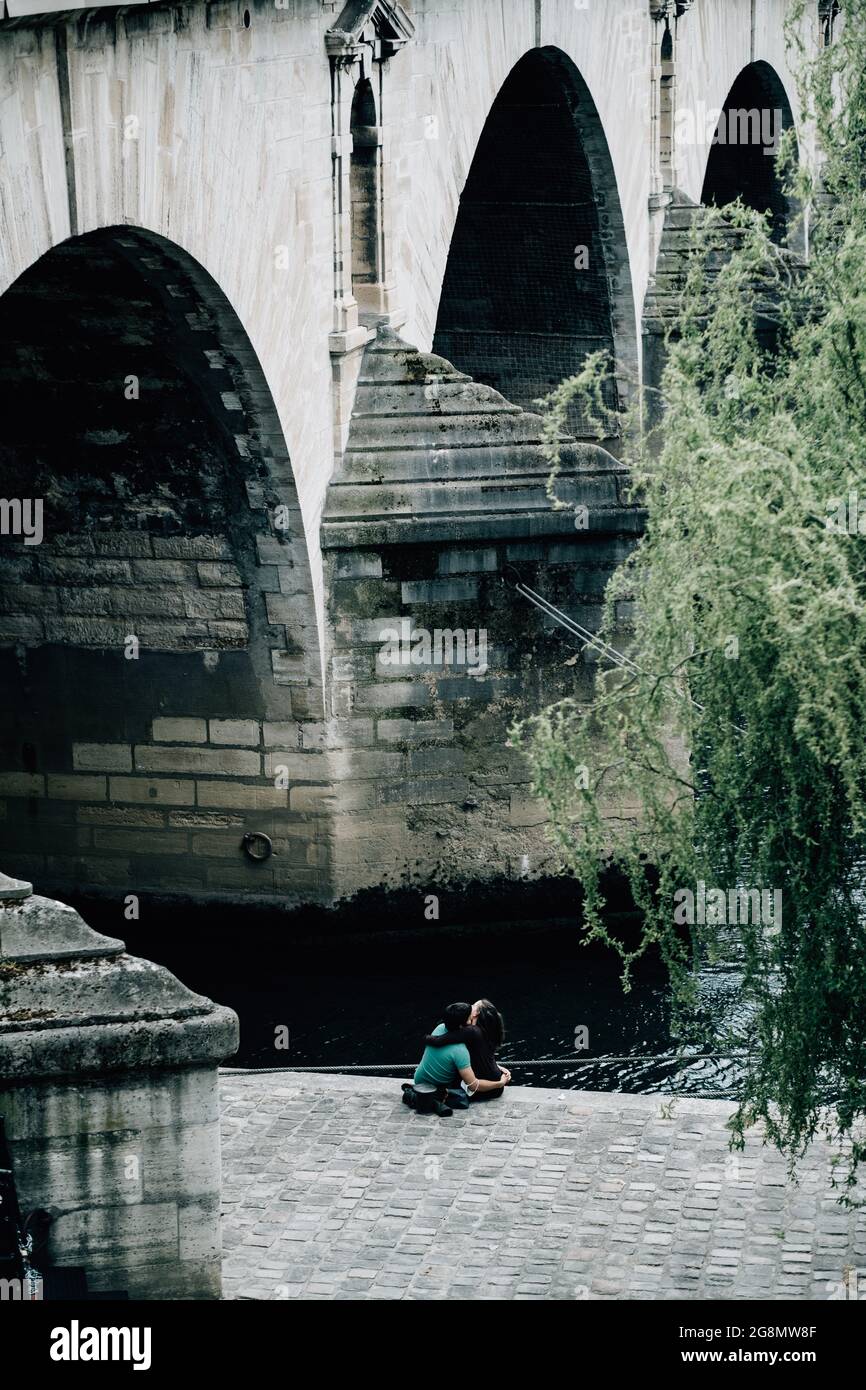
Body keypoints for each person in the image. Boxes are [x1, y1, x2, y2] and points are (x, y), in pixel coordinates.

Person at [402, 1002, 509, 1117]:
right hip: (444, 1085)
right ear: (465, 1023)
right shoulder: (469, 1043)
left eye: (474, 1008)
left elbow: (440, 1041)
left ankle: (427, 1097)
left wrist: (426, 1038)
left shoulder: (440, 1028)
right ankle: (433, 1098)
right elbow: (474, 1083)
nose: (473, 1012)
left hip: (419, 1078)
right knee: (462, 1092)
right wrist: (500, 1082)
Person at [424, 998, 511, 1102]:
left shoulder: (472, 1031)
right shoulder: (486, 1031)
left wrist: (425, 1037)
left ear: (476, 1013)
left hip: (487, 1088)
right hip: (496, 1082)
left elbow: (438, 1041)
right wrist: (499, 1068)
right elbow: (483, 1057)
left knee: (452, 1077)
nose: (470, 1006)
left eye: (473, 1005)